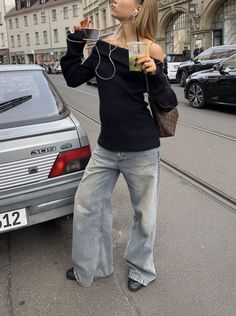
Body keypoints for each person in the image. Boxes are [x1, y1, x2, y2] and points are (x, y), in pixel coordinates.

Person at [61, 0, 175, 292]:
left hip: (141, 148)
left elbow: (165, 103)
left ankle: (140, 269)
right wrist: (76, 43)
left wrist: (155, 74)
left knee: (144, 215)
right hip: (107, 147)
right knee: (86, 204)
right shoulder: (103, 47)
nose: (112, 0)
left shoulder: (147, 48)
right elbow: (74, 79)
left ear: (138, 7)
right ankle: (94, 266)